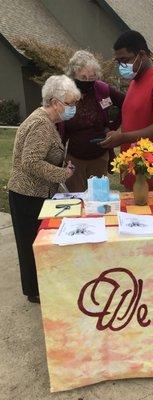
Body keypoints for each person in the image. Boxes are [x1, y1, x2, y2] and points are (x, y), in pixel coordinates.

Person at [8, 75, 80, 303]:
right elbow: (30, 162)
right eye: (70, 103)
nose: (73, 108)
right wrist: (62, 174)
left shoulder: (47, 121)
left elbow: (40, 156)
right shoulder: (41, 124)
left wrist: (60, 164)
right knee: (32, 246)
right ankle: (36, 291)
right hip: (28, 194)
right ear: (55, 101)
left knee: (34, 245)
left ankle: (38, 288)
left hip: (34, 193)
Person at [100, 30, 153, 191]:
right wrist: (116, 134)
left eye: (124, 60)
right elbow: (135, 120)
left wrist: (123, 137)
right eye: (118, 62)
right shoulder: (134, 83)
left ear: (142, 54)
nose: (121, 66)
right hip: (135, 174)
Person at [60, 50, 125, 192]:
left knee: (98, 198)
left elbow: (126, 103)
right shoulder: (64, 92)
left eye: (92, 77)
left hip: (99, 156)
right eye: (83, 77)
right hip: (74, 157)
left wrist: (114, 127)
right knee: (77, 199)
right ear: (73, 75)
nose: (88, 81)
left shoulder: (102, 89)